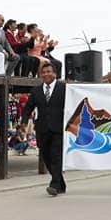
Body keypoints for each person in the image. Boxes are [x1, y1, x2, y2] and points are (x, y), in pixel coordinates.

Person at [21, 62, 67, 196]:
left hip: (58, 129)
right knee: (46, 157)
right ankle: (60, 184)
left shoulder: (63, 88)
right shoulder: (36, 90)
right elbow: (28, 108)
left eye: (49, 72)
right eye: (44, 72)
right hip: (42, 129)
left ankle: (54, 185)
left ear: (55, 74)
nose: (46, 74)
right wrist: (24, 122)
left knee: (56, 156)